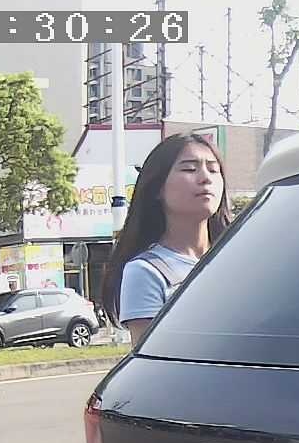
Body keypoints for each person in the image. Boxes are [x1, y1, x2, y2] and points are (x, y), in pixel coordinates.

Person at [96, 132, 232, 348]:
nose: (206, 178)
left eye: (213, 170)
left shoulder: (238, 261)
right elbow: (151, 358)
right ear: (158, 188)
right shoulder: (145, 271)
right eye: (189, 169)